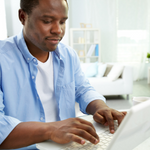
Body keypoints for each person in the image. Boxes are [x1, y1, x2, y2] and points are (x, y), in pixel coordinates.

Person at [0, 0, 127, 149]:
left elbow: (83, 89)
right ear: (23, 17)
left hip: (68, 146)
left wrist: (100, 107)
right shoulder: (3, 58)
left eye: (62, 22)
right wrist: (50, 130)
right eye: (47, 21)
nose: (58, 30)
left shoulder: (68, 55)